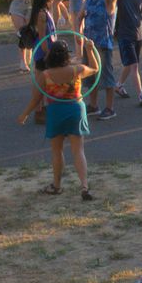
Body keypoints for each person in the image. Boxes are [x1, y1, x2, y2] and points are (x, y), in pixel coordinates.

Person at [38, 38, 98, 198]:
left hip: (55, 111)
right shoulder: (77, 70)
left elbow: (37, 97)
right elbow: (95, 68)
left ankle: (56, 186)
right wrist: (90, 50)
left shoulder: (46, 74)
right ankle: (84, 186)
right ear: (66, 56)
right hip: (75, 110)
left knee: (57, 150)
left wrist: (25, 113)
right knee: (78, 150)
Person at [80, 0, 118, 120]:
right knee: (90, 75)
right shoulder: (88, 0)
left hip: (103, 44)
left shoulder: (108, 1)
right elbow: (80, 15)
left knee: (106, 76)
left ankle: (110, 108)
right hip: (89, 43)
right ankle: (93, 105)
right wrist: (78, 32)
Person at [112, 0, 142, 108]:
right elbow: (110, 10)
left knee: (129, 63)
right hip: (124, 35)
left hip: (137, 35)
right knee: (134, 66)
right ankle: (141, 95)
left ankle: (119, 85)